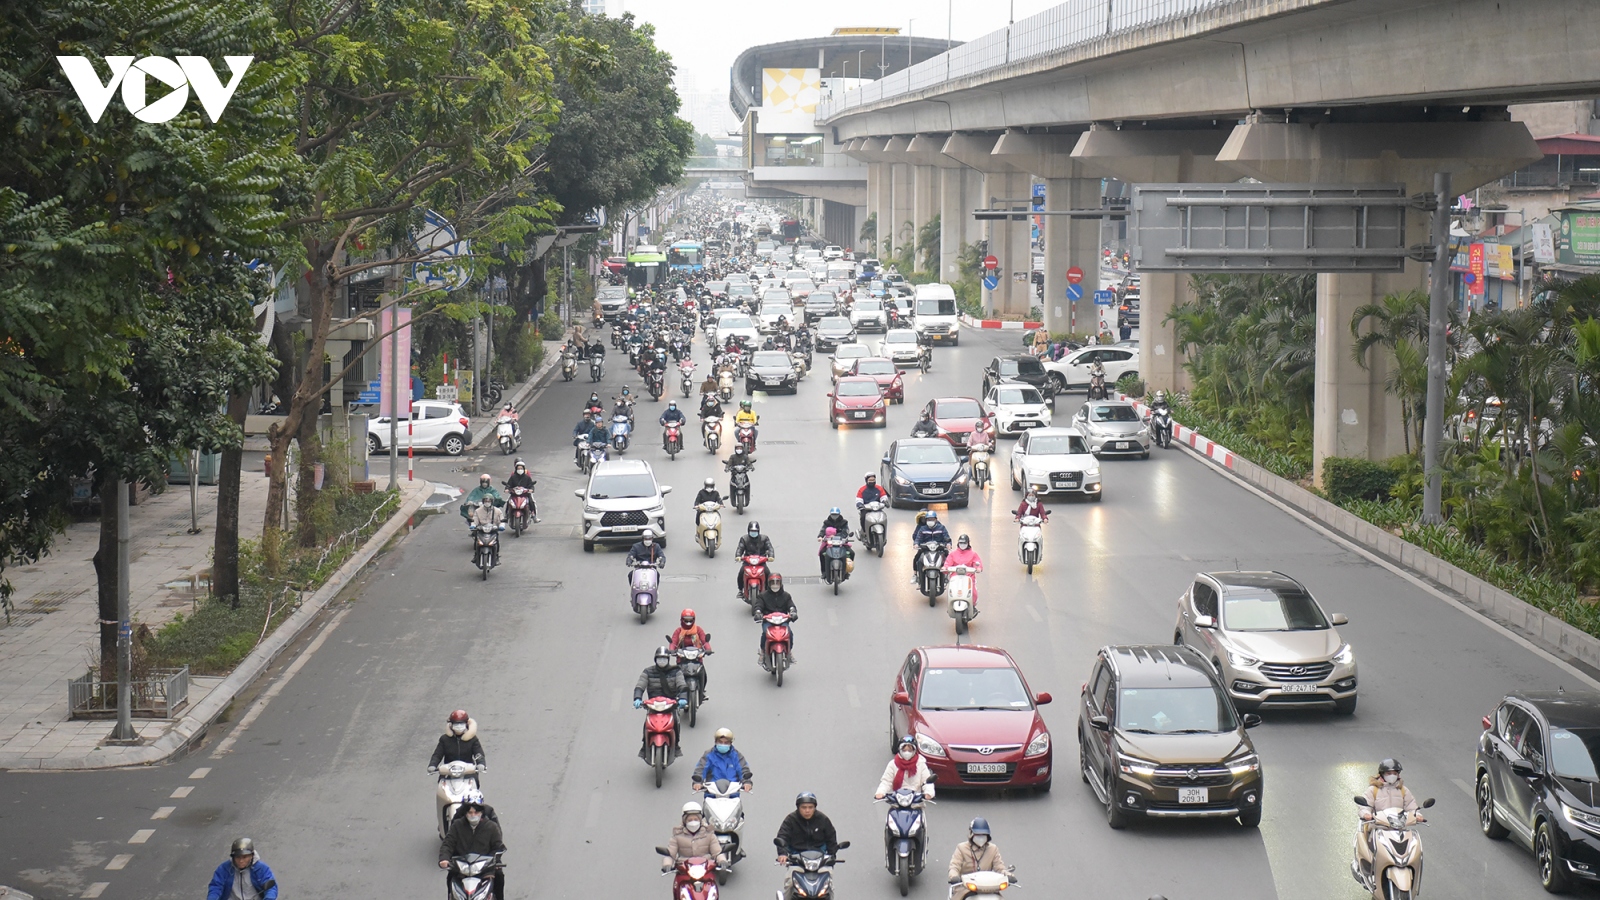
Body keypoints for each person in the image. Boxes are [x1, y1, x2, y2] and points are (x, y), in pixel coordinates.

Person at [439, 790, 506, 898]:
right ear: (465, 813)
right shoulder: (457, 826)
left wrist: (494, 860)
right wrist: (444, 858)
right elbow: (448, 843)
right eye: (470, 813)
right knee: (450, 878)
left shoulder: (491, 827)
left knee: (499, 877)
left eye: (476, 812)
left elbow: (498, 846)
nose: (473, 815)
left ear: (481, 812)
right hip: (462, 868)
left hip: (485, 868)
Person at [632, 646, 688, 757]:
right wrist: (637, 698)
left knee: (675, 722)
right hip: (653, 705)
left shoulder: (676, 671)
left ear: (668, 660)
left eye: (664, 659)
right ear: (655, 660)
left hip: (671, 704)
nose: (662, 661)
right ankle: (644, 746)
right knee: (647, 725)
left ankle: (676, 746)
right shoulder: (648, 671)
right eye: (659, 659)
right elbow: (640, 685)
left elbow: (682, 685)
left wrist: (682, 698)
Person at [774, 792, 838, 867]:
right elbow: (782, 837)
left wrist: (832, 855)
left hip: (820, 860)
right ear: (798, 807)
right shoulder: (791, 820)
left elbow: (831, 837)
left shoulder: (823, 819)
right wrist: (783, 854)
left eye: (810, 807)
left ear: (814, 807)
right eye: (804, 807)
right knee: (790, 876)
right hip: (796, 859)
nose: (807, 810)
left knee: (827, 873)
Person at [207, 838, 279, 900]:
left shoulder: (261, 868)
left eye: (244, 857)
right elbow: (216, 886)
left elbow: (271, 888)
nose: (241, 861)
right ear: (233, 857)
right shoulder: (224, 868)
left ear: (252, 856)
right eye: (238, 857)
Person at [662, 801, 724, 873]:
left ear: (700, 820)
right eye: (690, 820)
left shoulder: (709, 834)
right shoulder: (677, 836)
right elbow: (670, 854)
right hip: (684, 870)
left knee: (712, 884)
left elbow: (717, 852)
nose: (693, 822)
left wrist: (722, 861)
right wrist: (667, 864)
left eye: (696, 819)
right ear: (685, 821)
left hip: (706, 870)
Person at [668, 609, 713, 702]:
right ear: (681, 620)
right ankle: (676, 692)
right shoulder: (678, 631)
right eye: (686, 620)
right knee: (675, 676)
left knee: (703, 674)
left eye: (690, 620)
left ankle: (702, 692)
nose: (688, 622)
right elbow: (674, 642)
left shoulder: (698, 630)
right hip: (682, 659)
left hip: (696, 659)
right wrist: (672, 650)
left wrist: (708, 649)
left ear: (694, 620)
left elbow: (704, 641)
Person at [692, 727, 753, 794]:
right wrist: (697, 782)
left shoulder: (736, 756)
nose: (723, 744)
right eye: (720, 742)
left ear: (730, 743)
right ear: (715, 741)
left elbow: (744, 770)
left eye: (726, 743)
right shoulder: (708, 755)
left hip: (732, 796)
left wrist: (746, 782)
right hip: (712, 795)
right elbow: (700, 769)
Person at [947, 818, 1007, 885]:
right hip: (965, 886)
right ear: (971, 834)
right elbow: (954, 866)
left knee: (998, 895)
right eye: (978, 834)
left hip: (988, 886)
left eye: (983, 835)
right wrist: (954, 876)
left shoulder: (993, 849)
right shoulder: (961, 848)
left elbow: (999, 867)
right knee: (959, 895)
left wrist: (1007, 874)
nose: (981, 837)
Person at [875, 735, 936, 800]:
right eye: (904, 750)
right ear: (900, 750)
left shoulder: (921, 764)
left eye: (909, 750)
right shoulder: (892, 764)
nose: (907, 753)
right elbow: (886, 782)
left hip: (916, 802)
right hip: (897, 801)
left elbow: (926, 782)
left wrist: (928, 793)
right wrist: (880, 792)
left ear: (914, 750)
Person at [753, 572, 797, 656]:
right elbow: (758, 605)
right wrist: (758, 612)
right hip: (768, 621)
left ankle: (789, 652)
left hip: (783, 621)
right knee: (765, 633)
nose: (775, 585)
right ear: (768, 584)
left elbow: (791, 605)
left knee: (789, 633)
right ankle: (763, 651)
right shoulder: (763, 596)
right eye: (773, 583)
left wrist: (793, 612)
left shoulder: (786, 596)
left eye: (777, 583)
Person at [733, 521, 776, 597]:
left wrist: (771, 556)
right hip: (748, 561)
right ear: (748, 531)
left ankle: (768, 590)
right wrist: (738, 556)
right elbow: (740, 548)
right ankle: (740, 590)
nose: (753, 533)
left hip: (761, 561)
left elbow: (770, 548)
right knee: (741, 573)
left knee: (768, 574)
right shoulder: (744, 539)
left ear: (758, 531)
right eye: (752, 531)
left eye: (755, 531)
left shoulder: (764, 538)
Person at [911, 510, 951, 583]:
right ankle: (915, 575)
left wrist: (948, 544)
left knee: (948, 557)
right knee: (917, 559)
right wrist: (916, 544)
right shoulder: (922, 529)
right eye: (928, 519)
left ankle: (947, 575)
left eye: (932, 519)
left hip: (939, 547)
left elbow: (946, 537)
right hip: (925, 548)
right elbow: (918, 538)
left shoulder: (941, 528)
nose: (930, 521)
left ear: (936, 519)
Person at [943, 534, 984, 606]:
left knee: (973, 593)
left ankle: (973, 605)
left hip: (968, 577)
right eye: (961, 543)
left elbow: (977, 562)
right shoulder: (953, 554)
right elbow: (947, 563)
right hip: (955, 578)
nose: (962, 545)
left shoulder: (973, 554)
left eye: (964, 543)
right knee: (951, 592)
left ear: (968, 543)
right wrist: (945, 567)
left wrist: (978, 568)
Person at [468, 497, 505, 567]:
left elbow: (501, 520)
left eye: (489, 501)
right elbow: (474, 520)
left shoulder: (497, 511)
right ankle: (476, 555)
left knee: (496, 542)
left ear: (492, 502)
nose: (487, 502)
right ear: (483, 501)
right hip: (481, 530)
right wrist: (473, 525)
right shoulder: (478, 511)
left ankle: (496, 556)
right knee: (476, 541)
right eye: (485, 501)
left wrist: (501, 526)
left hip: (493, 530)